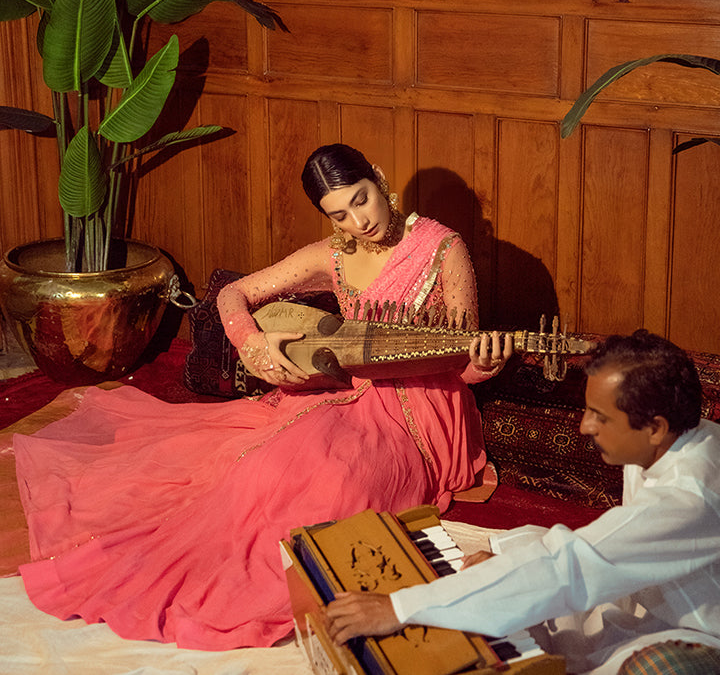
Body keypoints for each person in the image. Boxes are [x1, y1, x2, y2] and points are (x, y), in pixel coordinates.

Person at [11, 143, 511, 651]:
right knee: (266, 469)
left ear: (379, 179)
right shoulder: (333, 255)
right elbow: (234, 294)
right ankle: (216, 573)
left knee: (341, 483)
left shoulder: (442, 247)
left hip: (423, 409)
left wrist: (484, 365)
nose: (359, 222)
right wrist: (253, 344)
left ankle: (289, 583)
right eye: (339, 214)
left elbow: (463, 359)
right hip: (345, 389)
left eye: (361, 200)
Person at [326, 329, 720, 675]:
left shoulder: (687, 498)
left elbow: (572, 565)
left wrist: (398, 608)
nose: (584, 426)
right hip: (648, 596)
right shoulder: (679, 436)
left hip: (696, 635)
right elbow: (606, 546)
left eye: (600, 416)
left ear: (655, 428)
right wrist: (508, 563)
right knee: (524, 564)